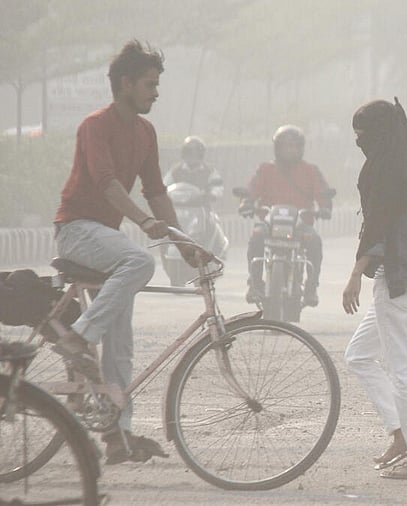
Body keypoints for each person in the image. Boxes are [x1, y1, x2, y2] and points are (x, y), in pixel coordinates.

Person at [53, 40, 200, 464]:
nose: (156, 92)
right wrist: (144, 223)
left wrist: (183, 241)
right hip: (77, 231)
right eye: (150, 84)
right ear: (125, 83)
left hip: (106, 241)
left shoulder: (145, 132)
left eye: (157, 84)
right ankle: (78, 336)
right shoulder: (94, 125)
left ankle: (118, 437)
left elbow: (156, 190)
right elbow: (105, 181)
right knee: (139, 260)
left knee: (121, 345)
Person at [342, 98, 407, 480]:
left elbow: (378, 228)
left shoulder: (385, 170)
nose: (359, 140)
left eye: (363, 133)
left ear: (380, 133)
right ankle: (401, 434)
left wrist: (356, 273)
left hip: (398, 279)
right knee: (358, 356)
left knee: (402, 372)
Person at [240, 125, 332, 307]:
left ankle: (311, 288)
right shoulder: (265, 169)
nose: (290, 150)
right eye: (285, 146)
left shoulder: (311, 170)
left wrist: (325, 207)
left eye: (294, 146)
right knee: (256, 237)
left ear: (301, 148)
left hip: (301, 225)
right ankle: (255, 284)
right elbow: (251, 189)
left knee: (314, 242)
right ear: (277, 148)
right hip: (269, 224)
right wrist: (246, 203)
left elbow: (323, 193)